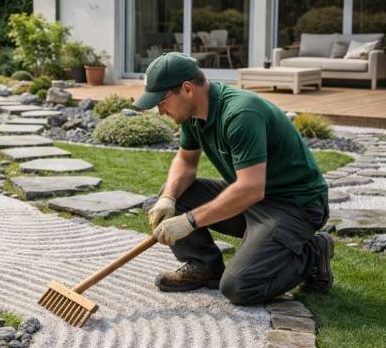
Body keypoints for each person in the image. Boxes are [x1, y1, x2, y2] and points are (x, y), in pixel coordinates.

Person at [134, 52, 333, 305]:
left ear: (186, 89)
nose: (160, 111)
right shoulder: (192, 116)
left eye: (161, 101)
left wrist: (189, 221)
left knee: (239, 287)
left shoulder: (240, 114)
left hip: (295, 206)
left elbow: (250, 188)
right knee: (171, 195)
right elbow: (185, 161)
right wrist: (168, 199)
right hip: (254, 199)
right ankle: (204, 267)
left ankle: (313, 253)